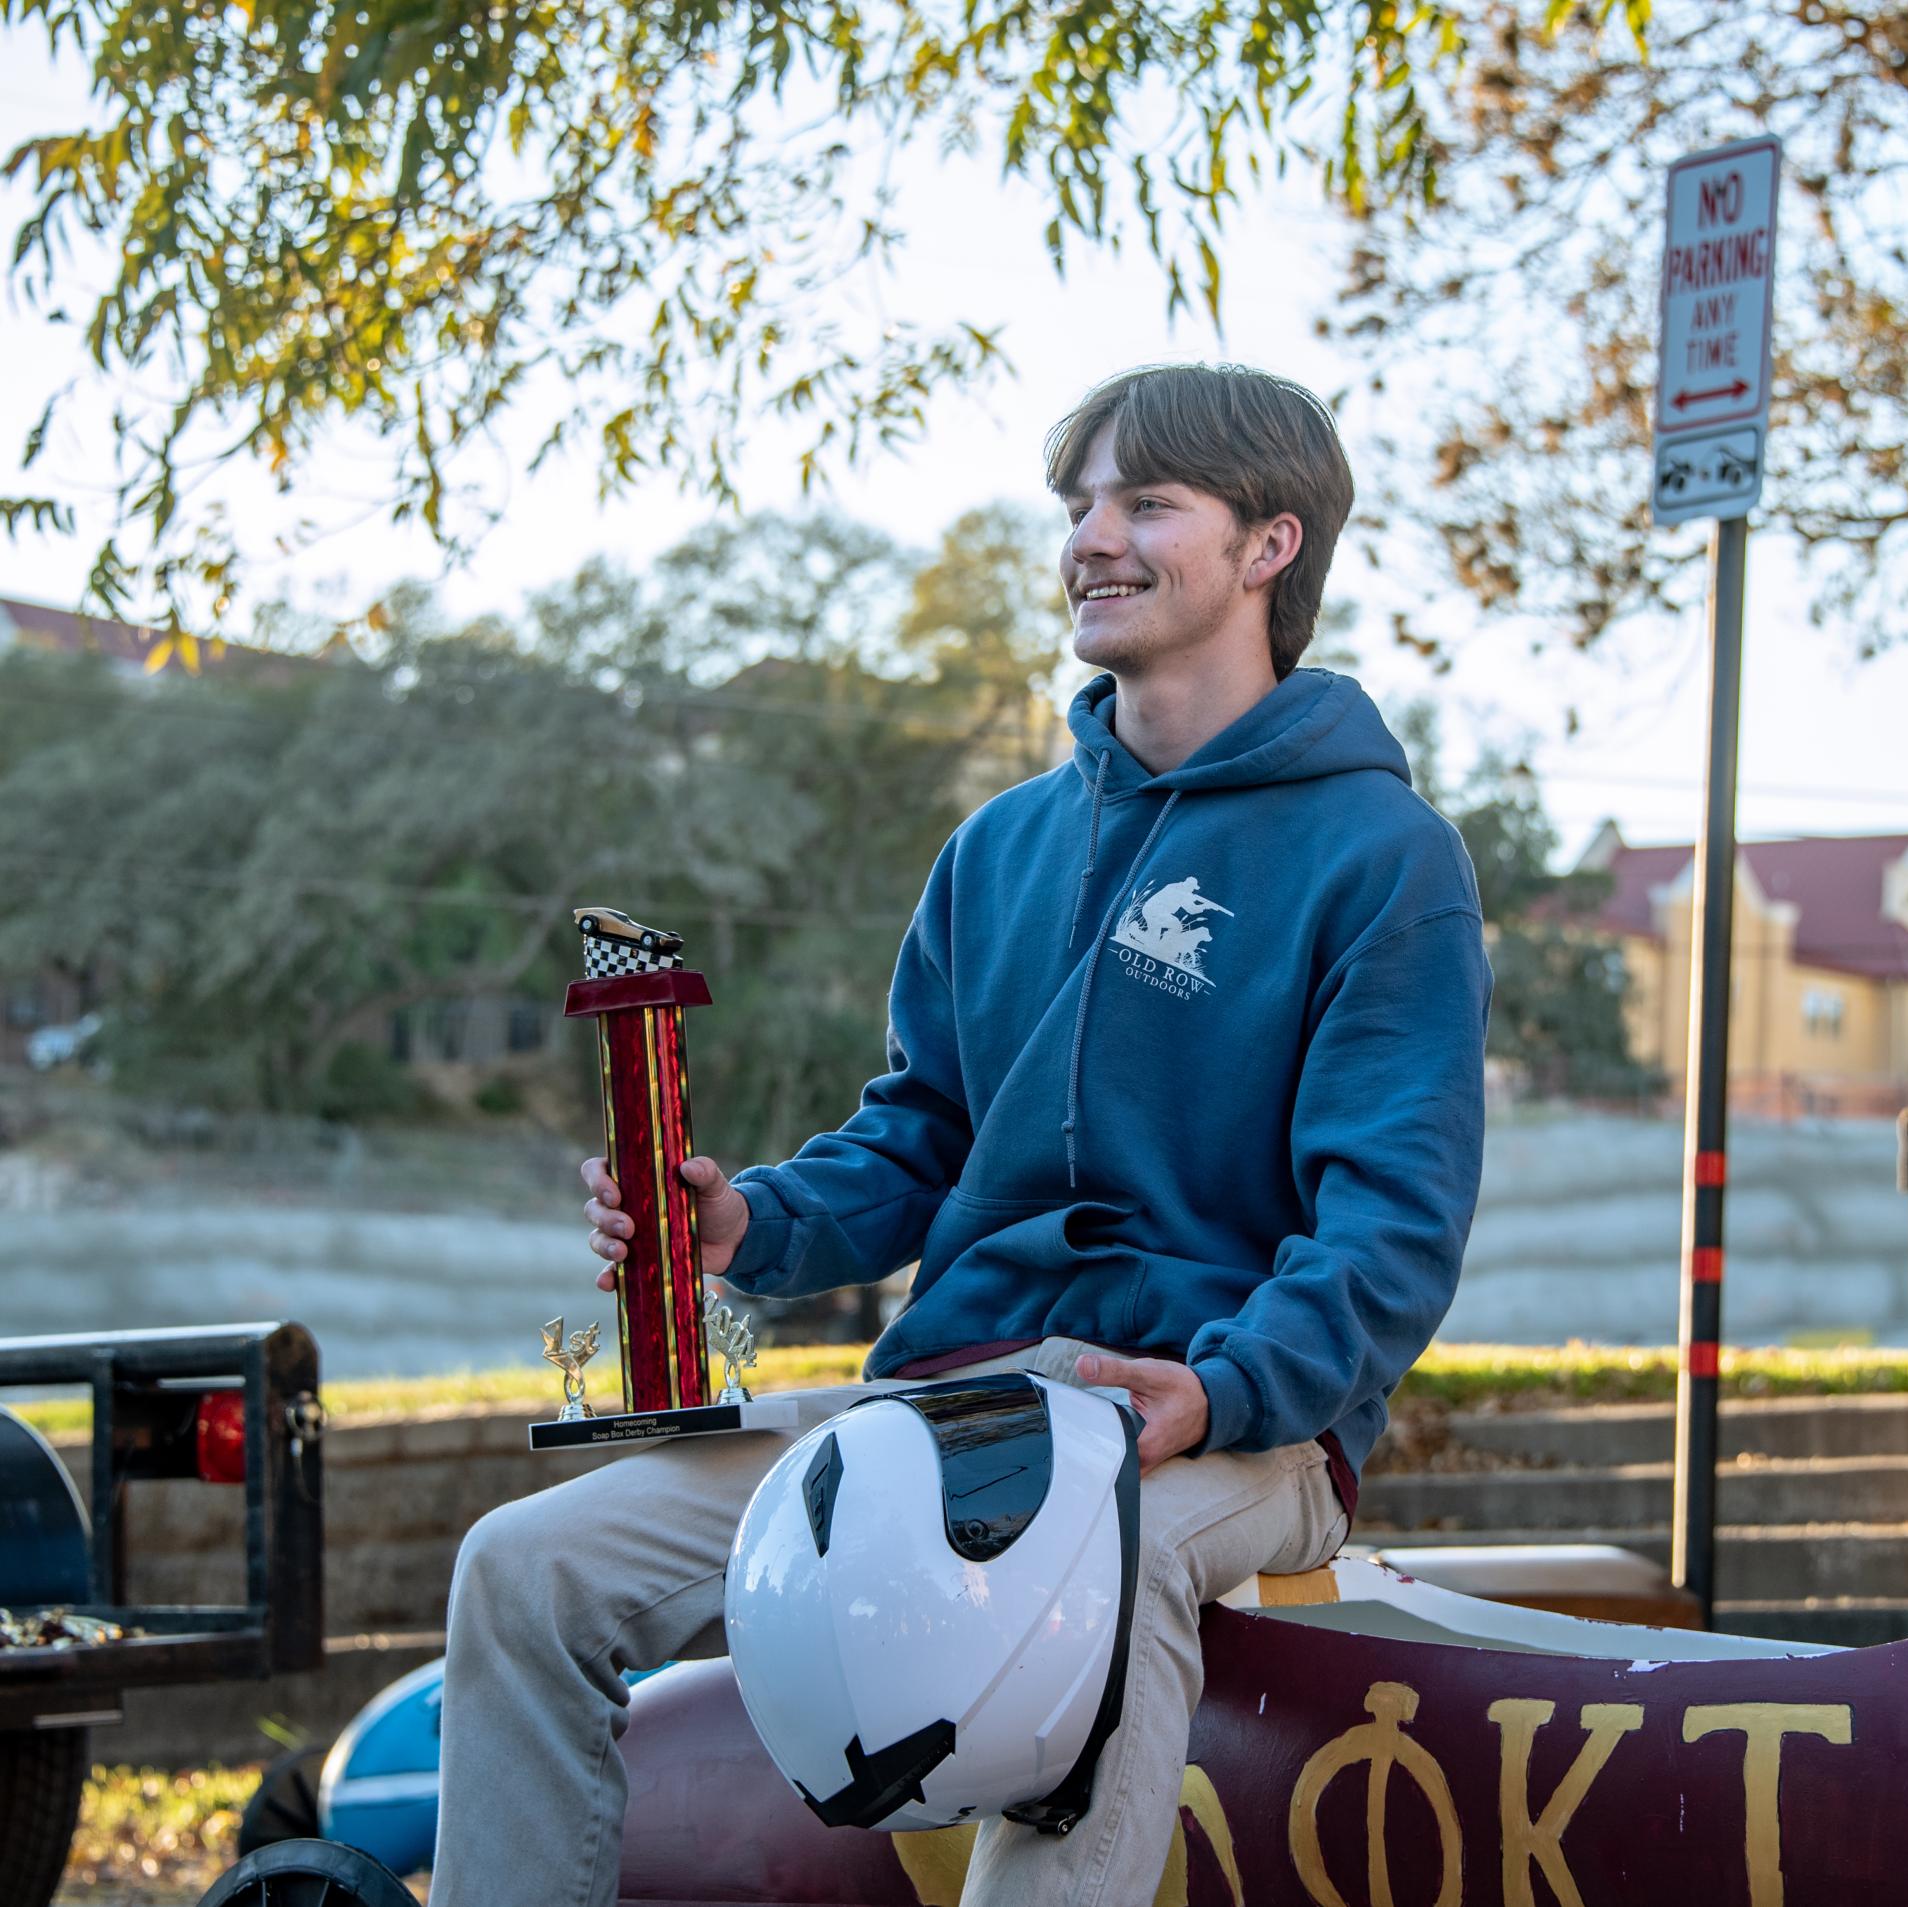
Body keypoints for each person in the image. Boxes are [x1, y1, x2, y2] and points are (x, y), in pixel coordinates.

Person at [430, 362, 1491, 1907]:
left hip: (1231, 1420)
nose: (1091, 540)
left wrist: (1220, 1391)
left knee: (1080, 1576)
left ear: (1269, 545)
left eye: (1146, 503)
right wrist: (752, 1222)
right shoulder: (996, 848)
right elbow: (918, 1137)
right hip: (960, 1402)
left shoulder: (1380, 856)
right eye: (1078, 508)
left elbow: (1391, 1229)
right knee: (525, 1570)